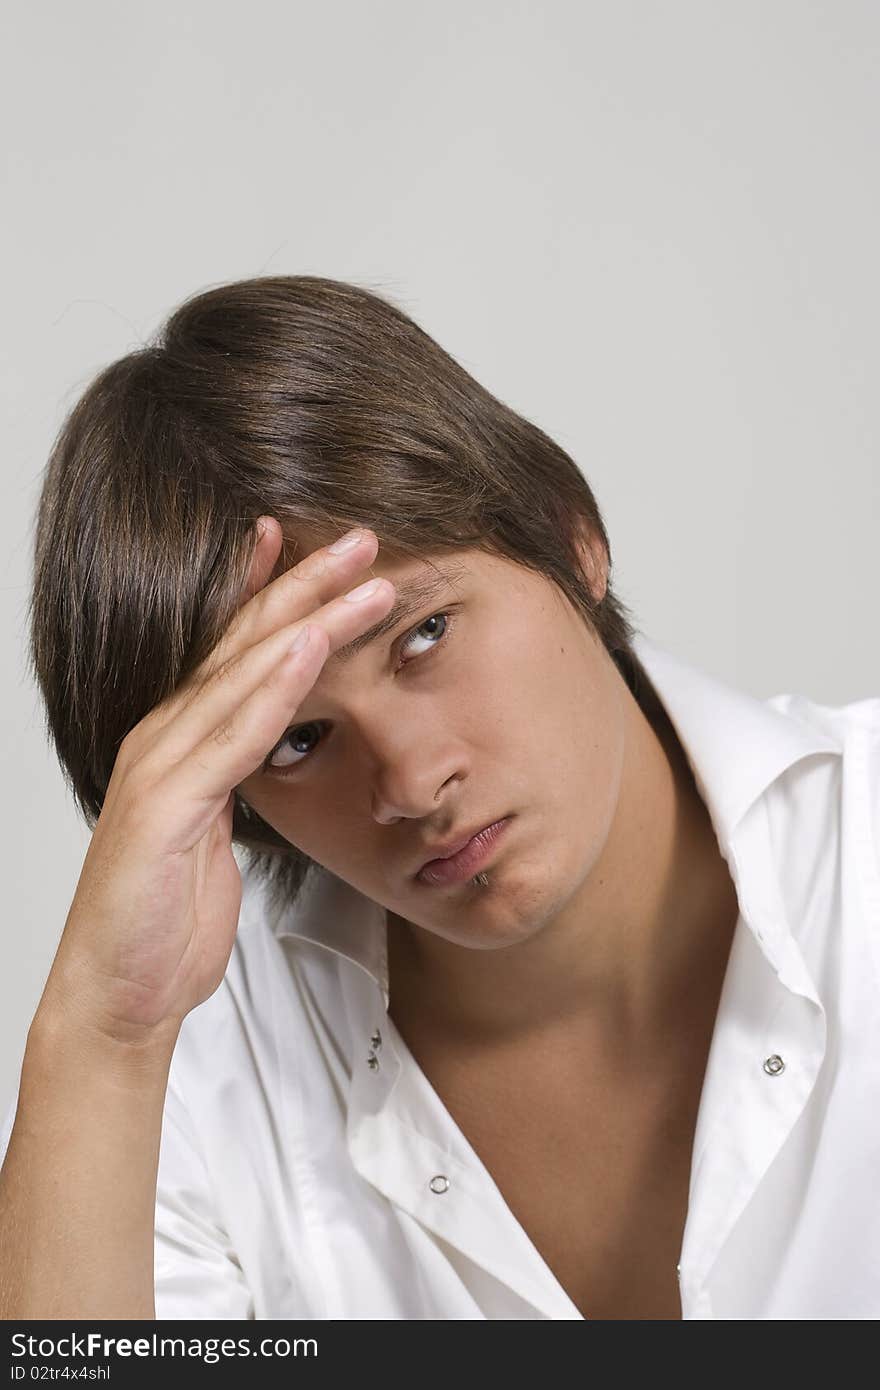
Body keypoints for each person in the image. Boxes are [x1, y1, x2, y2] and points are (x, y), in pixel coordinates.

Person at [0, 276, 877, 1321]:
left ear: (572, 538)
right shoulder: (193, 1074)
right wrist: (104, 1037)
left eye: (423, 634)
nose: (411, 784)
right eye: (295, 739)